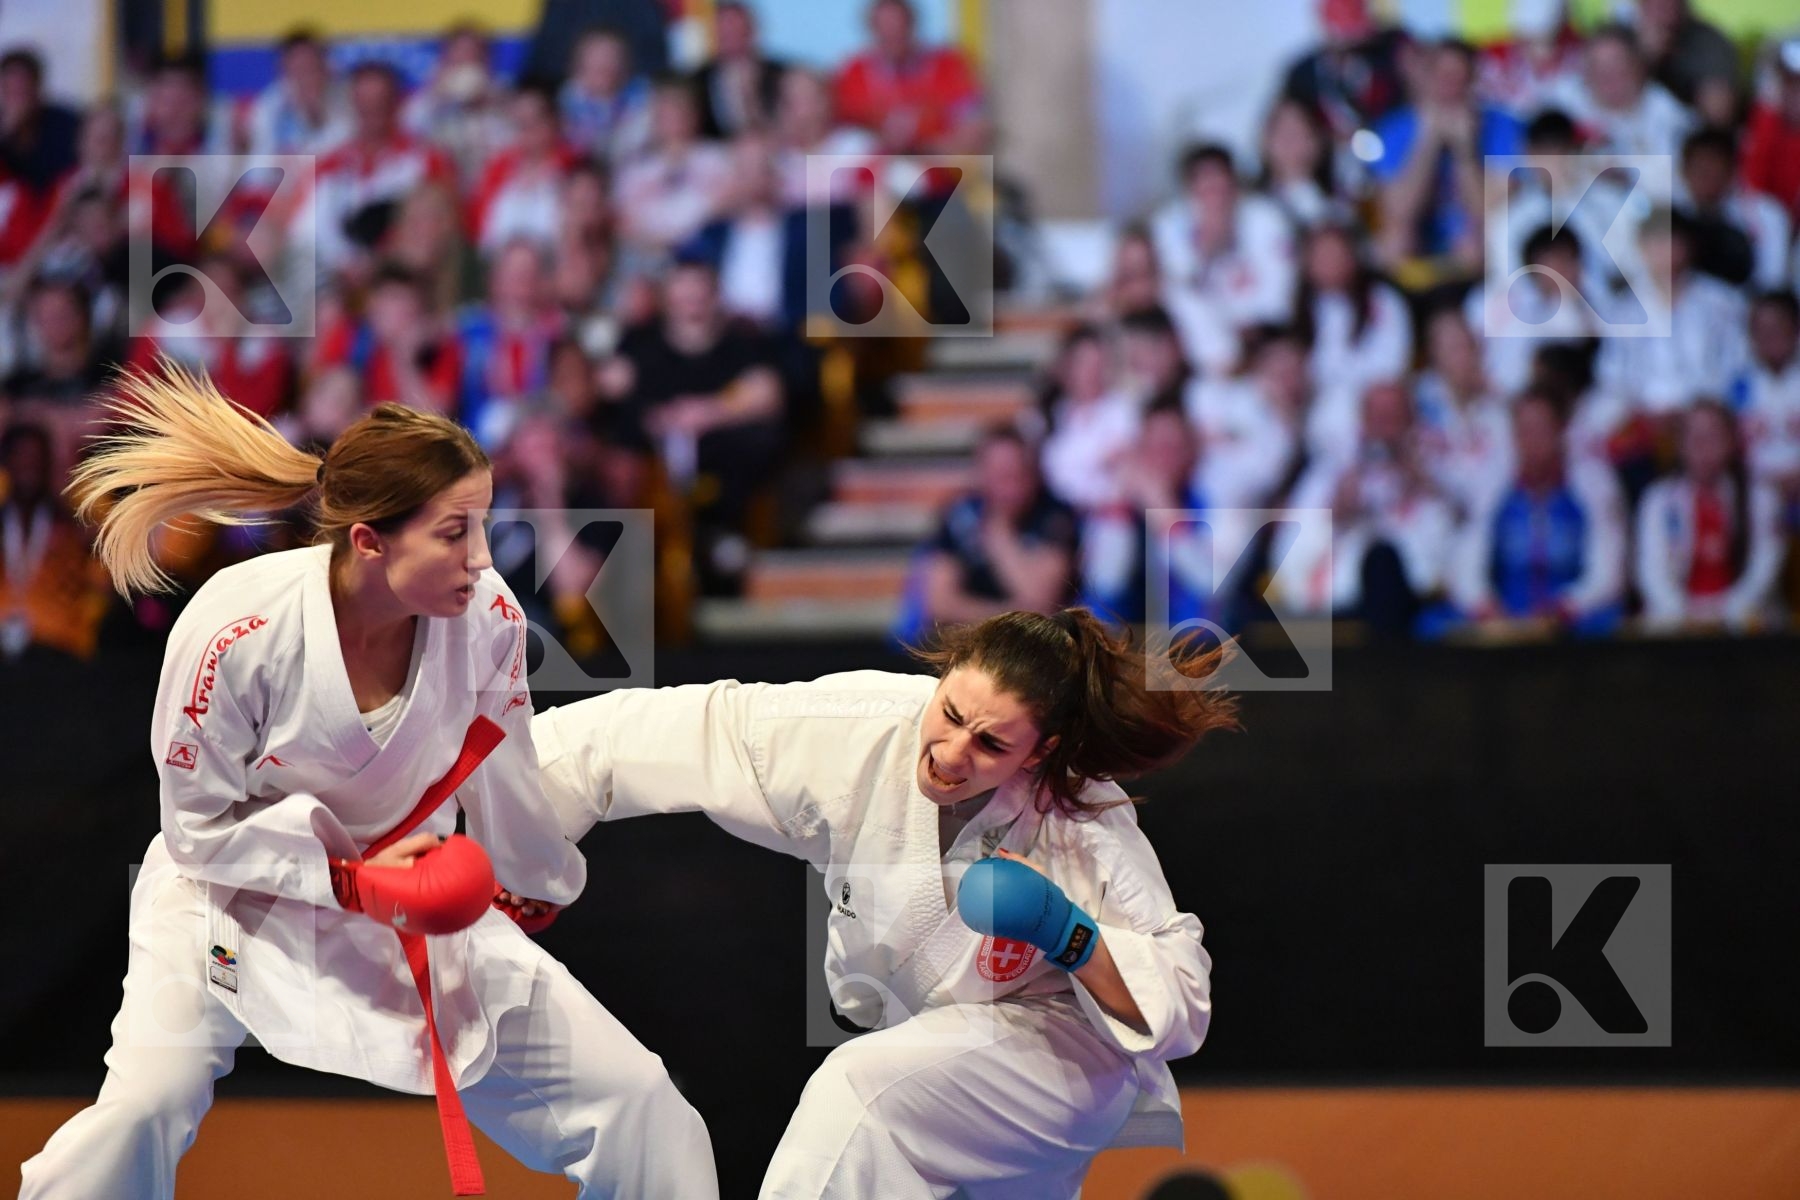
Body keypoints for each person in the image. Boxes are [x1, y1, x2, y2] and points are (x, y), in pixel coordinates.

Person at [19, 368, 718, 1198]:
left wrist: (532, 886)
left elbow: (502, 761)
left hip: (407, 892)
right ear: (369, 542)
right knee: (141, 1114)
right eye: (455, 532)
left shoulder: (486, 617)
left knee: (641, 1105)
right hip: (230, 895)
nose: (483, 559)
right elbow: (196, 826)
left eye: (485, 525)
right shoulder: (237, 630)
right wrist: (346, 879)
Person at [530, 607, 1234, 1198]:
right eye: (951, 713)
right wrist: (495, 827)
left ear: (1040, 750)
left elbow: (1183, 999)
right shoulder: (860, 726)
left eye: (990, 743)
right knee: (880, 1094)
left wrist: (1067, 930)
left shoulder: (1081, 816)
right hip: (930, 1042)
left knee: (860, 1096)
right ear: (943, 674)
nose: (952, 753)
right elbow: (662, 731)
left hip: (1062, 1057)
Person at [1635, 399, 1787, 631]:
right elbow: (1652, 572)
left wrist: (1728, 612)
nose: (1702, 446)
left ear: (1732, 441)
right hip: (1678, 621)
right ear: (1680, 444)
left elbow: (1764, 569)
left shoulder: (1760, 497)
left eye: (1712, 436)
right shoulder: (1659, 499)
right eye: (1693, 437)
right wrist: (1683, 615)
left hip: (1743, 621)